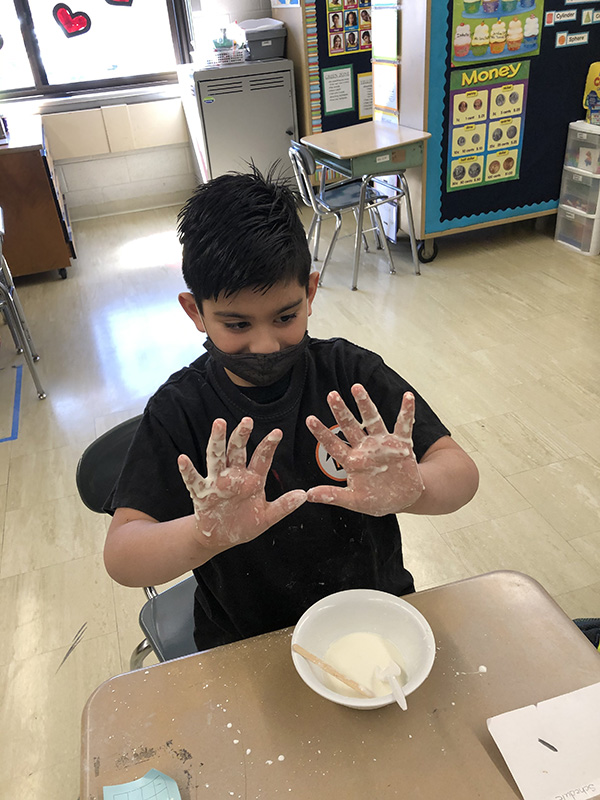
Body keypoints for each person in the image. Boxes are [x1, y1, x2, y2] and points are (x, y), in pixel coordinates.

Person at [104, 167, 479, 652]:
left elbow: (461, 473)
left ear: (311, 292)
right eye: (237, 324)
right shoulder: (181, 409)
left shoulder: (351, 374)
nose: (264, 344)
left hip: (373, 613)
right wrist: (204, 535)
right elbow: (122, 554)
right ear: (195, 311)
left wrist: (416, 489)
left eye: (285, 317)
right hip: (248, 639)